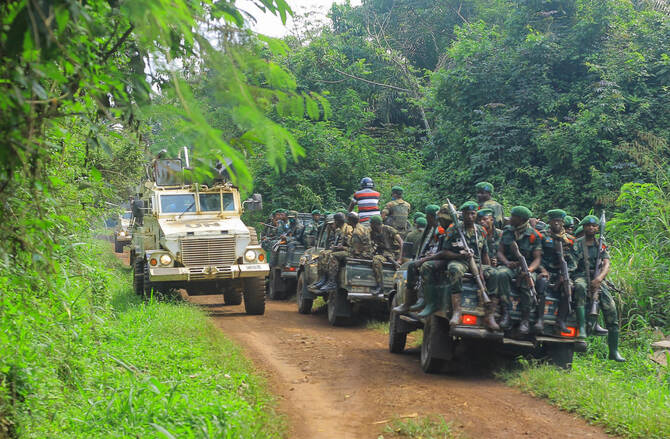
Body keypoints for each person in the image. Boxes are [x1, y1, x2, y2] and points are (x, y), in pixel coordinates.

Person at [572, 215, 625, 362]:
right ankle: (582, 328)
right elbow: (573, 265)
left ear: (597, 228)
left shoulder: (601, 243)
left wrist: (599, 279)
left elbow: (606, 264)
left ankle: (613, 351)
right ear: (583, 227)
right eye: (588, 225)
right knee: (580, 287)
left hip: (598, 279)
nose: (591, 228)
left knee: (611, 310)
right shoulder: (577, 244)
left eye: (594, 226)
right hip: (581, 276)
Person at [442, 201, 499, 330]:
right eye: (467, 214)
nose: (470, 217)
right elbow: (444, 252)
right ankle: (457, 311)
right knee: (454, 269)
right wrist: (459, 255)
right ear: (462, 214)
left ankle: (489, 315)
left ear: (476, 214)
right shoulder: (454, 229)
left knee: (495, 274)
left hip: (477, 263)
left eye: (473, 214)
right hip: (460, 261)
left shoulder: (481, 231)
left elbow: (484, 254)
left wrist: (486, 270)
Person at [495, 206, 543, 334]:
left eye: (513, 216)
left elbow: (537, 258)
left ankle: (525, 320)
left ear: (521, 219)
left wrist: (529, 270)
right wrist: (507, 262)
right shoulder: (507, 231)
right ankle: (506, 313)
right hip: (510, 265)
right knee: (501, 274)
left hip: (527, 267)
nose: (510, 218)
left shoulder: (534, 235)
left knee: (527, 282)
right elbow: (499, 252)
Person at [391, 204, 441, 313]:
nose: (427, 218)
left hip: (435, 258)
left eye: (428, 216)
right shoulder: (431, 230)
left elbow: (438, 248)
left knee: (413, 267)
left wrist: (425, 258)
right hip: (431, 256)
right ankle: (411, 302)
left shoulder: (437, 230)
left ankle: (413, 301)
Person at [536, 209, 577, 333]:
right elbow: (536, 256)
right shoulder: (542, 236)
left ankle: (561, 321)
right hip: (544, 270)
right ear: (550, 222)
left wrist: (564, 275)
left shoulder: (569, 240)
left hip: (561, 272)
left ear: (563, 223)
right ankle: (540, 319)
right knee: (542, 283)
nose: (557, 224)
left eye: (559, 221)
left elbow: (573, 262)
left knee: (568, 287)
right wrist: (542, 270)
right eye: (554, 221)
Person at [321, 212, 370, 292]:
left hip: (361, 254)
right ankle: (326, 279)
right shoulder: (360, 227)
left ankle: (332, 282)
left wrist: (342, 248)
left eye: (348, 219)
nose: (346, 221)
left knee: (333, 256)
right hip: (362, 252)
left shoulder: (356, 232)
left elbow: (355, 251)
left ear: (351, 221)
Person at [310, 213, 349, 290]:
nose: (331, 225)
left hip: (348, 251)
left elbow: (350, 244)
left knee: (331, 255)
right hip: (341, 249)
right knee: (323, 253)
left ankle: (332, 281)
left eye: (333, 223)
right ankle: (323, 278)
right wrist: (335, 246)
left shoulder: (346, 229)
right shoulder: (339, 229)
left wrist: (341, 247)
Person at [370, 215, 403, 295]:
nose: (370, 226)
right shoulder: (373, 232)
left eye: (372, 224)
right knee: (376, 260)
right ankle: (380, 286)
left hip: (394, 254)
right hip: (384, 254)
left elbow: (402, 243)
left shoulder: (389, 229)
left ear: (375, 224)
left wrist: (400, 259)